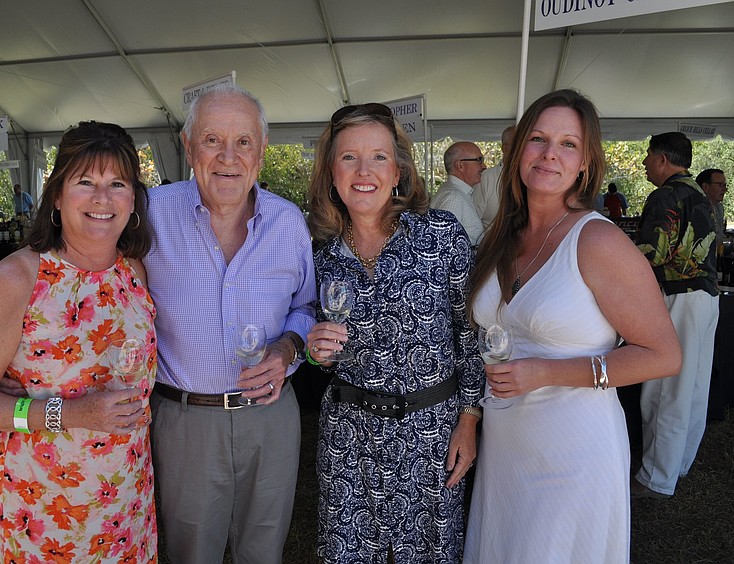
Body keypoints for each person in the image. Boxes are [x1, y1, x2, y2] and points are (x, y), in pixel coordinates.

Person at [463, 90, 681, 563]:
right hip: (505, 446)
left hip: (573, 451)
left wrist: (546, 372)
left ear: (585, 162)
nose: (549, 154)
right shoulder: (501, 236)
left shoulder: (597, 239)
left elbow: (664, 354)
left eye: (567, 144)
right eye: (538, 139)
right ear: (519, 150)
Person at [0, 121, 158, 562]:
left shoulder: (133, 272)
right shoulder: (19, 278)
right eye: (86, 183)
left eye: (117, 183)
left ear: (132, 199)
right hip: (43, 505)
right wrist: (71, 412)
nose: (102, 198)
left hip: (127, 498)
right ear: (57, 196)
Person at [143, 84, 316, 564]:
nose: (228, 157)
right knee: (190, 551)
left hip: (271, 416)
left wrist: (286, 350)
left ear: (261, 152)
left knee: (264, 549)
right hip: (185, 421)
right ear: (187, 145)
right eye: (212, 139)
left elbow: (307, 307)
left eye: (243, 142)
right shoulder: (149, 216)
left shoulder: (287, 223)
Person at [306, 103, 484, 563]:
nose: (364, 171)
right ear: (330, 171)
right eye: (349, 157)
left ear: (399, 169)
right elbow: (314, 346)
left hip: (431, 431)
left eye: (378, 157)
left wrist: (470, 418)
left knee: (428, 553)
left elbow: (472, 333)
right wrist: (315, 352)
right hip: (349, 435)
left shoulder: (440, 235)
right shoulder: (316, 252)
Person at [633, 132, 720, 499]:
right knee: (694, 387)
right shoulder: (700, 194)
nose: (645, 164)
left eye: (649, 156)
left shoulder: (666, 195)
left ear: (664, 159)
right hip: (706, 298)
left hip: (678, 297)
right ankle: (679, 464)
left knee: (666, 388)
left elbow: (650, 252)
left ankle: (657, 477)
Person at [430, 141, 486, 245]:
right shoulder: (453, 198)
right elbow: (442, 245)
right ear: (460, 166)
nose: (484, 166)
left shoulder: (458, 193)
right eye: (479, 160)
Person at [473, 125, 515, 228]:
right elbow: (473, 219)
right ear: (505, 148)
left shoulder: (534, 178)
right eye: (519, 144)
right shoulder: (486, 178)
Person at [697, 168, 728, 250]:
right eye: (721, 185)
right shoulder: (695, 210)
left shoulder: (719, 208)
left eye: (725, 185)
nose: (725, 189)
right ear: (705, 187)